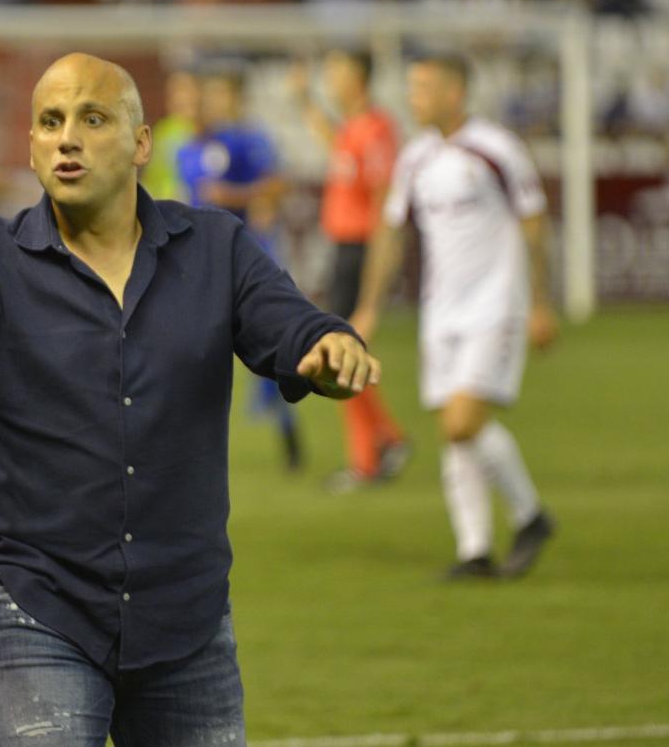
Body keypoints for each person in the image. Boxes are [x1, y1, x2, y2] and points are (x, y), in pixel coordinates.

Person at [0, 53, 381, 745]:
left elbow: (295, 324)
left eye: (92, 119)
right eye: (50, 121)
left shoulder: (217, 248)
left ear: (141, 142)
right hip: (39, 608)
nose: (67, 137)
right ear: (34, 148)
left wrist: (328, 347)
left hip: (187, 621)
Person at [350, 53, 557, 580]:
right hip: (440, 312)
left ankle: (530, 514)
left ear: (455, 93)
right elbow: (391, 235)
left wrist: (539, 301)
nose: (413, 97)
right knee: (454, 431)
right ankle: (476, 551)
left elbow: (534, 224)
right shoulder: (415, 157)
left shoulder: (496, 149)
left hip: (496, 304)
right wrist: (370, 307)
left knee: (462, 421)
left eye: (423, 87)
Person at [291, 50, 411, 491]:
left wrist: (375, 283)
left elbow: (384, 203)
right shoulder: (353, 129)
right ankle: (388, 439)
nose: (330, 79)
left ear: (358, 78)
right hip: (345, 249)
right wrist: (303, 100)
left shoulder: (377, 130)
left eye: (336, 71)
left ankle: (367, 460)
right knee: (341, 352)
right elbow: (334, 141)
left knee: (340, 354)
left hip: (361, 251)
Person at [176, 68, 303, 470]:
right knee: (188, 349)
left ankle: (287, 430)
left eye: (219, 96)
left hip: (245, 257)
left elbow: (277, 185)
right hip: (198, 260)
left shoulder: (248, 140)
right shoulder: (185, 148)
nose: (212, 104)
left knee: (266, 348)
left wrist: (243, 198)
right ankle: (187, 442)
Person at [142, 68, 198, 201]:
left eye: (184, 90)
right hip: (167, 208)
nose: (179, 97)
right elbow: (152, 176)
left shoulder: (205, 130)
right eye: (173, 92)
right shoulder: (162, 130)